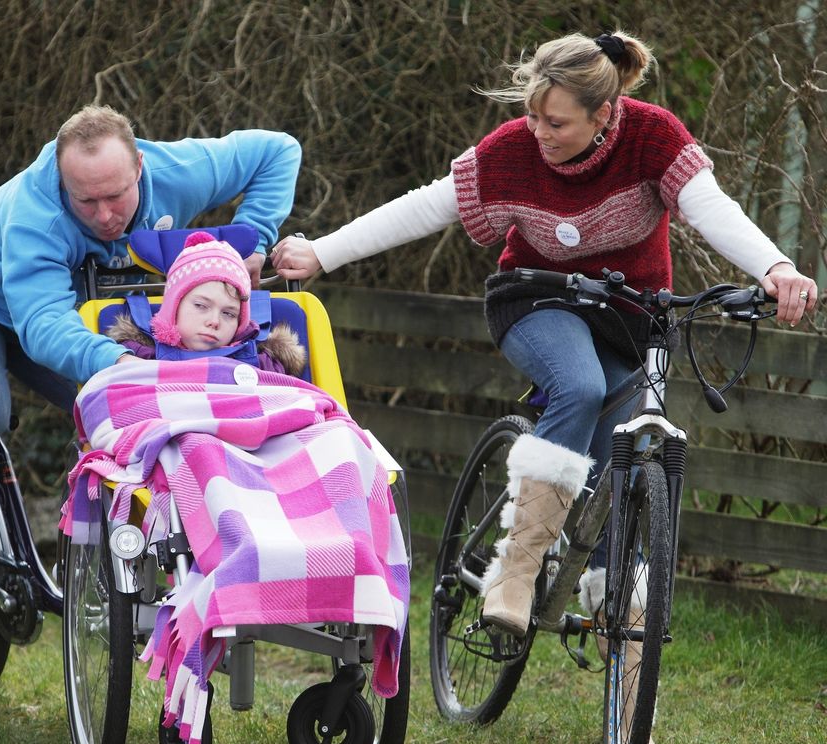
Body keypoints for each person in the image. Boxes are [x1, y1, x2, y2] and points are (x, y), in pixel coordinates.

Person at [272, 32, 818, 641]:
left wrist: (775, 266)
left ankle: (631, 692)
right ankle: (517, 568)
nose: (539, 131)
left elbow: (711, 206)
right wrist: (323, 252)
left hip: (631, 317)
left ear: (604, 115)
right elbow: (426, 206)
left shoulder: (653, 138)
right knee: (579, 387)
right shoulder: (512, 151)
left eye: (555, 122)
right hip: (536, 301)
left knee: (631, 452)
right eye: (532, 115)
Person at [0, 104, 302, 588]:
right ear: (64, 185)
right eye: (86, 202)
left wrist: (252, 244)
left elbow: (278, 151)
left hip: (54, 311)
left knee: (139, 417)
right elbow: (43, 326)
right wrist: (120, 361)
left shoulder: (178, 171)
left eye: (115, 196)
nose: (105, 216)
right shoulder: (38, 216)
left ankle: (153, 554)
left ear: (140, 169)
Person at [106, 231, 306, 375]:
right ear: (173, 308)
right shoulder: (138, 357)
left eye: (229, 313)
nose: (214, 321)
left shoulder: (265, 363)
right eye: (201, 306)